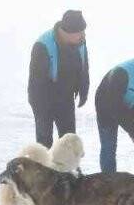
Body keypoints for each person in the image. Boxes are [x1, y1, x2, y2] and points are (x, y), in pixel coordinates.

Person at [27, 10, 89, 148]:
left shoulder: (80, 41)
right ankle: (45, 168)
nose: (83, 36)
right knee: (44, 140)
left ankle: (70, 169)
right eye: (80, 32)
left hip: (65, 97)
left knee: (69, 138)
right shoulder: (43, 45)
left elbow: (84, 66)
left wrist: (84, 89)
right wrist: (41, 109)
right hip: (43, 98)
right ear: (67, 32)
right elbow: (36, 83)